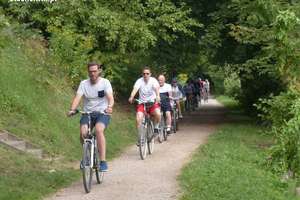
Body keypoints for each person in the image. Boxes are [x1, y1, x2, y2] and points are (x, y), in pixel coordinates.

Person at [68, 62, 114, 172]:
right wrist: (72, 109)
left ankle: (103, 161)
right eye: (90, 71)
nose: (92, 73)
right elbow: (77, 98)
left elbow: (110, 98)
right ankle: (87, 156)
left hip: (102, 113)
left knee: (98, 130)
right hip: (87, 113)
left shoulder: (105, 82)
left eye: (94, 71)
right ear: (88, 72)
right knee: (83, 133)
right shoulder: (84, 84)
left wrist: (109, 106)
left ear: (99, 71)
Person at [128, 67, 161, 136]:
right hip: (142, 103)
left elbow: (156, 88)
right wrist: (131, 96)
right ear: (142, 74)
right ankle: (140, 137)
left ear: (150, 74)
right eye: (144, 74)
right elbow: (135, 89)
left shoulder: (153, 80)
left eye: (147, 73)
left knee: (158, 114)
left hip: (152, 102)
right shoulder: (139, 81)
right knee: (138, 118)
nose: (145, 75)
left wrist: (157, 96)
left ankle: (156, 126)